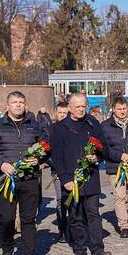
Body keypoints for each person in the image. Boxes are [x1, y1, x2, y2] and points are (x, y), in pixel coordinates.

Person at [0, 91, 49, 255]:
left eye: (21, 102)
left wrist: (40, 159)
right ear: (7, 105)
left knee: (28, 220)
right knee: (7, 219)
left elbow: (47, 147)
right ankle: (8, 247)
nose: (18, 105)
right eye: (14, 102)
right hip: (6, 181)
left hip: (30, 180)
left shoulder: (35, 126)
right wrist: (1, 165)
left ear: (25, 104)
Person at [49, 93, 113, 255]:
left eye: (83, 106)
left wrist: (97, 158)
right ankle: (79, 249)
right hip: (70, 180)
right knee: (75, 217)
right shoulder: (58, 128)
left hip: (90, 178)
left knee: (93, 214)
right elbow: (57, 157)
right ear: (69, 107)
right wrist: (65, 179)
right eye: (77, 106)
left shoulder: (93, 124)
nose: (81, 109)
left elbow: (105, 149)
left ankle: (98, 250)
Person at [101, 97, 128, 238]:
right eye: (119, 109)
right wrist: (120, 156)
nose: (122, 112)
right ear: (113, 109)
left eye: (124, 109)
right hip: (116, 167)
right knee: (119, 196)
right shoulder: (106, 126)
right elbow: (104, 149)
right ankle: (123, 225)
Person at [51, 101, 69, 242]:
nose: (62, 116)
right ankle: (62, 229)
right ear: (56, 113)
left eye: (65, 113)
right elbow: (46, 151)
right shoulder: (51, 129)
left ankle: (76, 227)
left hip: (73, 170)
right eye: (60, 113)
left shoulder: (73, 128)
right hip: (57, 172)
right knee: (60, 200)